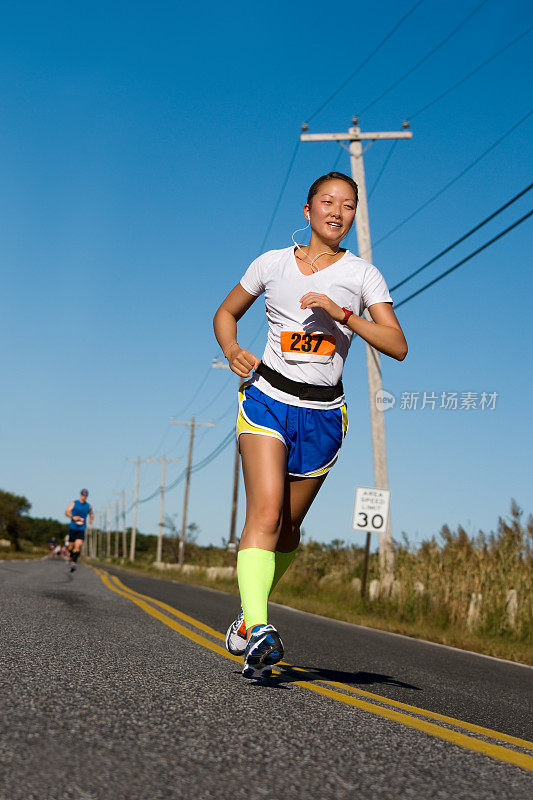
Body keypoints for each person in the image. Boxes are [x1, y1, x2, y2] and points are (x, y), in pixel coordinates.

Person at [213, 172, 407, 678]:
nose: (337, 212)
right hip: (267, 398)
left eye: (348, 205)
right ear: (307, 210)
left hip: (324, 413)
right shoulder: (272, 264)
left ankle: (243, 620)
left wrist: (344, 314)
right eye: (327, 201)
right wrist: (233, 351)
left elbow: (397, 345)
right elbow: (226, 313)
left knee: (290, 530)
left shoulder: (364, 275)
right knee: (268, 512)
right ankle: (258, 627)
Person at [64, 489, 93, 572]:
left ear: (87, 496)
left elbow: (91, 513)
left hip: (81, 529)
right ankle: (70, 554)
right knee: (71, 546)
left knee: (77, 545)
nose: (84, 497)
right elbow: (66, 512)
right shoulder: (74, 503)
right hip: (73, 528)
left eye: (85, 495)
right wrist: (73, 517)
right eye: (83, 495)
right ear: (80, 495)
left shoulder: (88, 506)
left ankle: (73, 564)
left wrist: (91, 518)